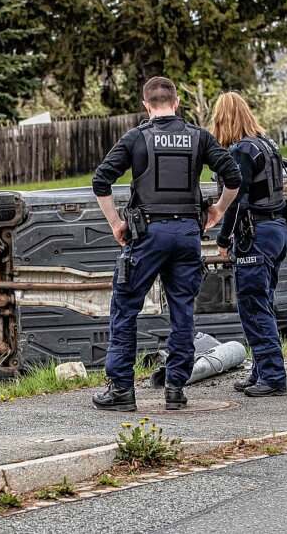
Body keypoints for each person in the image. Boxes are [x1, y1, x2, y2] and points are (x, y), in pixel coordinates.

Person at [91, 76, 240, 411]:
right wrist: (217, 210)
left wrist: (116, 223)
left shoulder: (136, 138)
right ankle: (175, 388)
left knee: (125, 307)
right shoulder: (199, 138)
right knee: (182, 311)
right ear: (176, 104)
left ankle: (121, 392)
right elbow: (234, 177)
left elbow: (101, 180)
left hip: (147, 235)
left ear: (146, 105)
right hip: (188, 234)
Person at [208, 91, 287, 397]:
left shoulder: (241, 150)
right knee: (263, 302)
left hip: (255, 235)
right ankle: (259, 371)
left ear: (223, 119)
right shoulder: (268, 144)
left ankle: (272, 377)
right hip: (277, 229)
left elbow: (237, 201)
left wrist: (224, 238)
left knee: (253, 306)